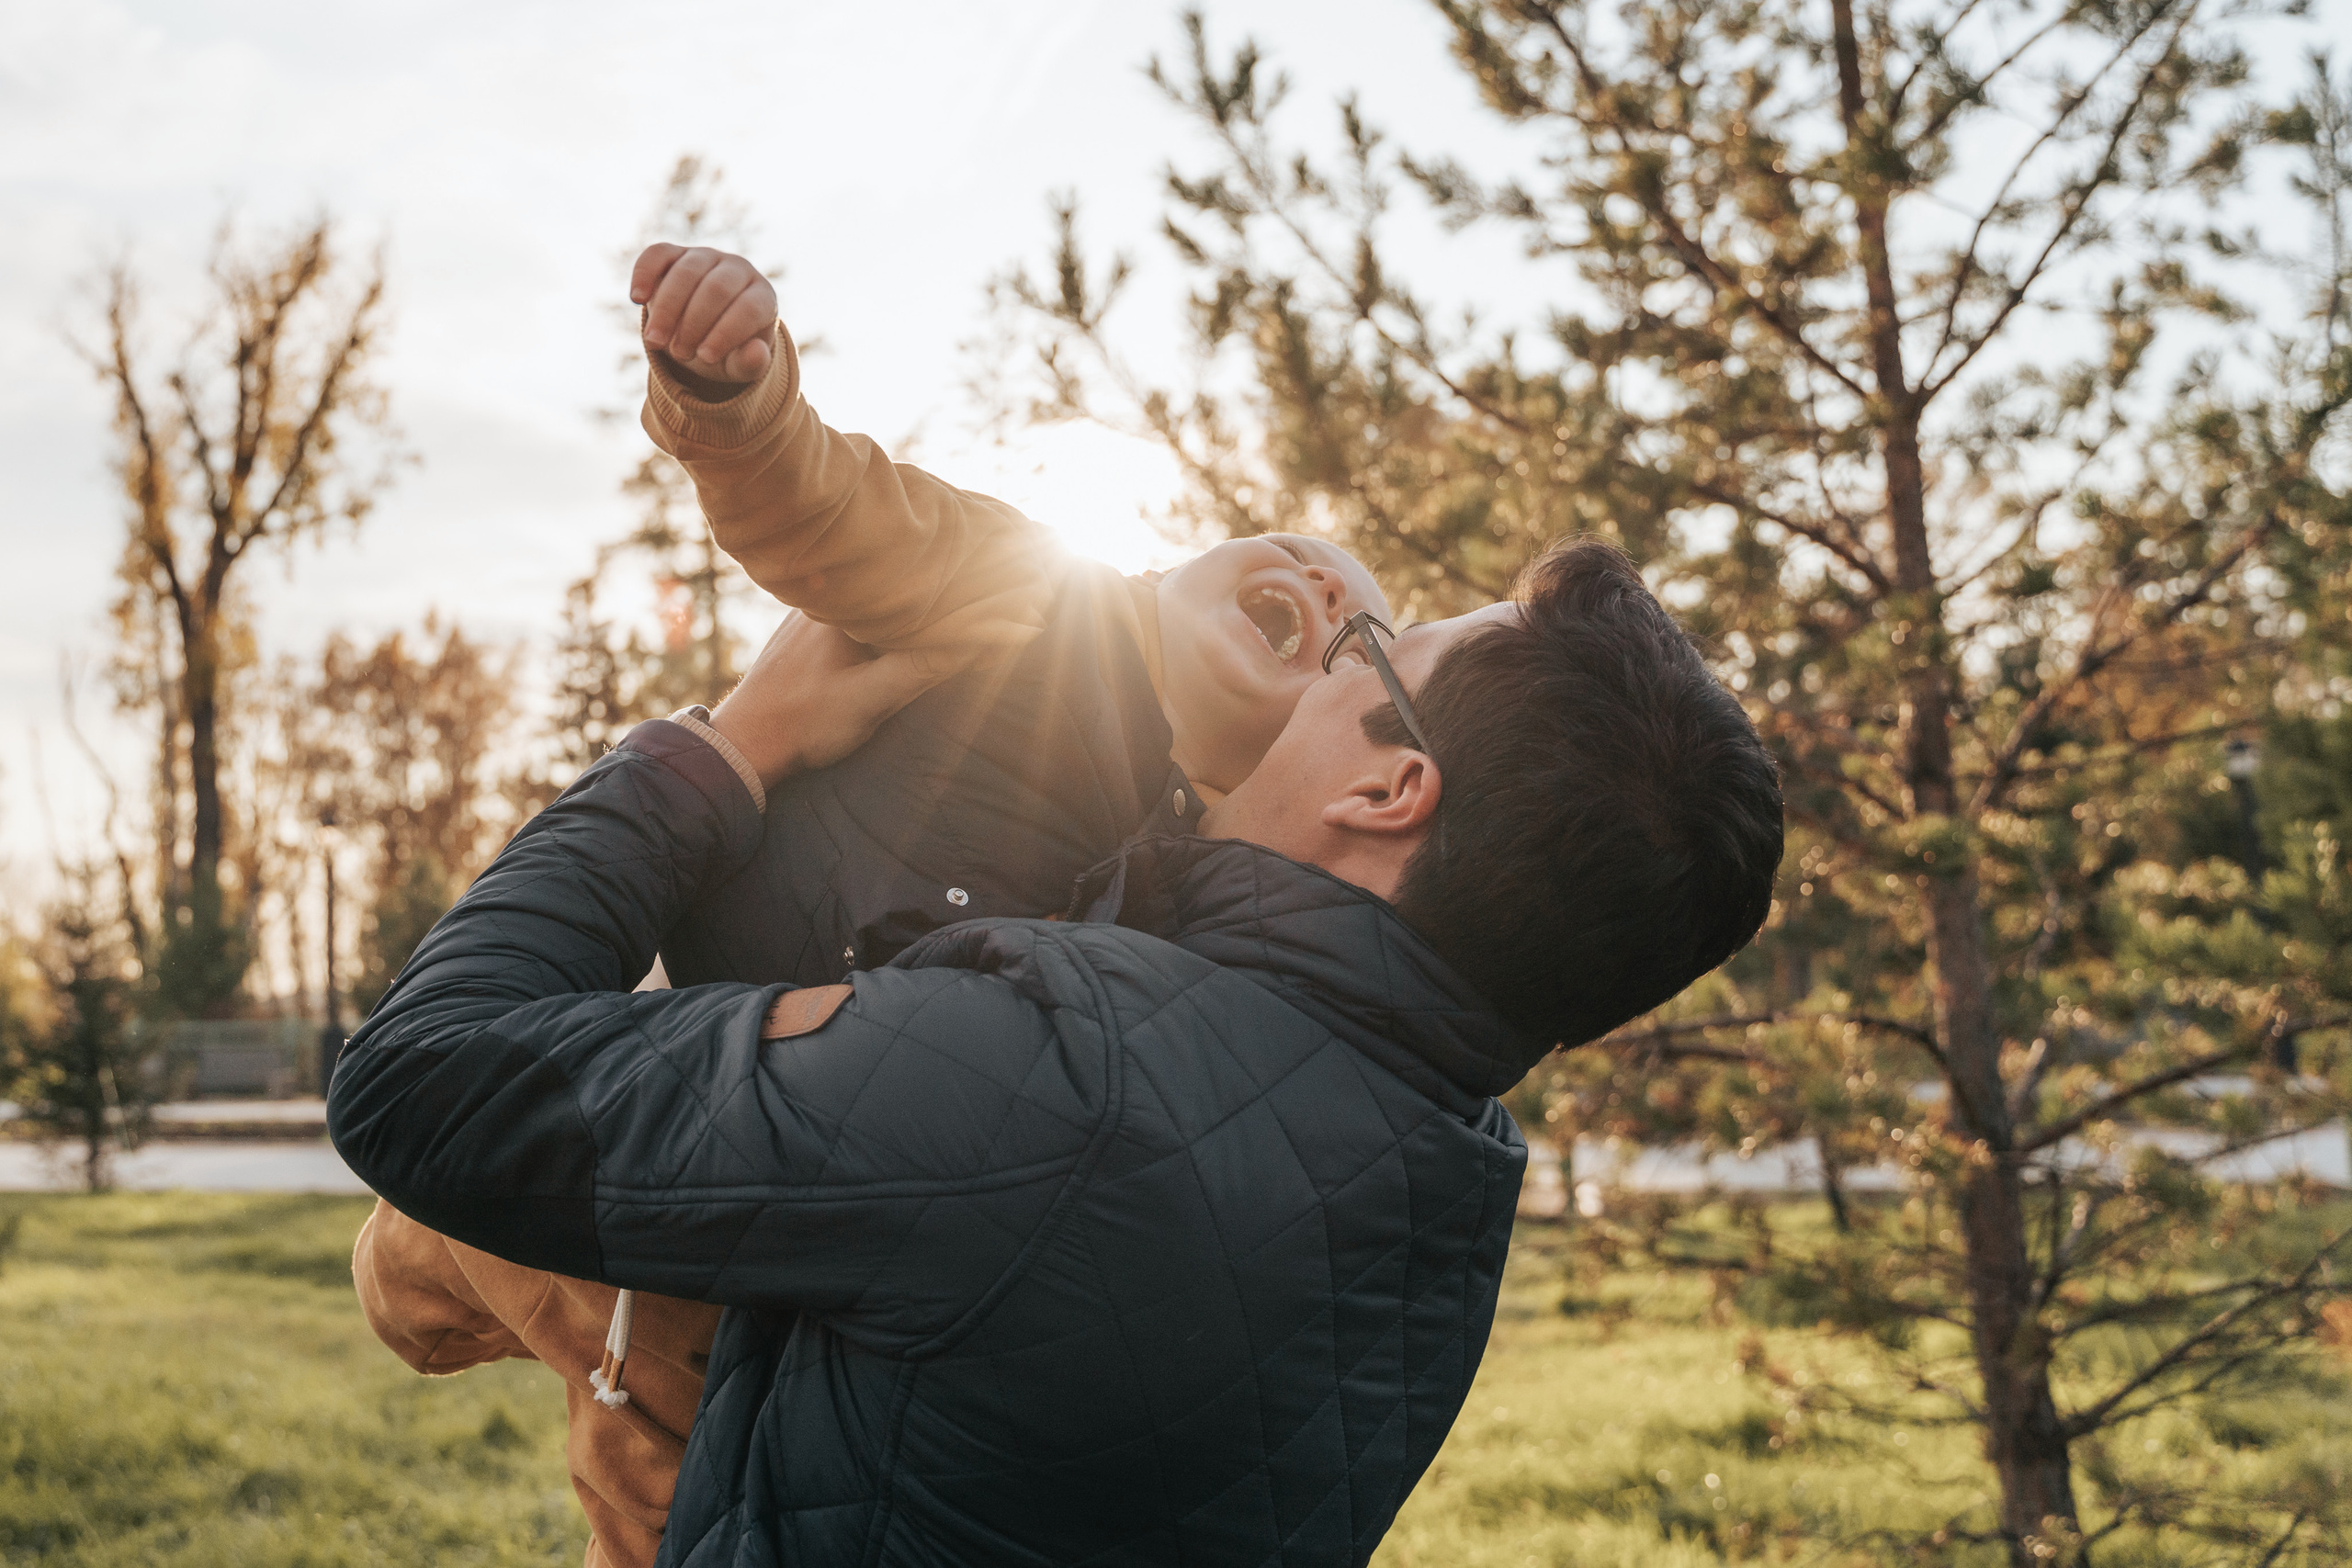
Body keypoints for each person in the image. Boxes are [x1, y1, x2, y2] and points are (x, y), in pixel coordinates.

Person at [328, 536, 1784, 1567]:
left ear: (1390, 786)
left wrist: (729, 746)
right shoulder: (1442, 1175)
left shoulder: (1056, 1083)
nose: (1342, 656)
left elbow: (426, 1077)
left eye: (1373, 658)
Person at [349, 243, 1392, 1568]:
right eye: (1304, 555)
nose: (1320, 585)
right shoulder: (1030, 589)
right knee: (452, 1239)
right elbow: (834, 509)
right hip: (734, 1021)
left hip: (847, 1165)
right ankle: (418, 1258)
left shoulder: (1198, 864)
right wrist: (734, 401)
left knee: (663, 1451)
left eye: (1355, 630)